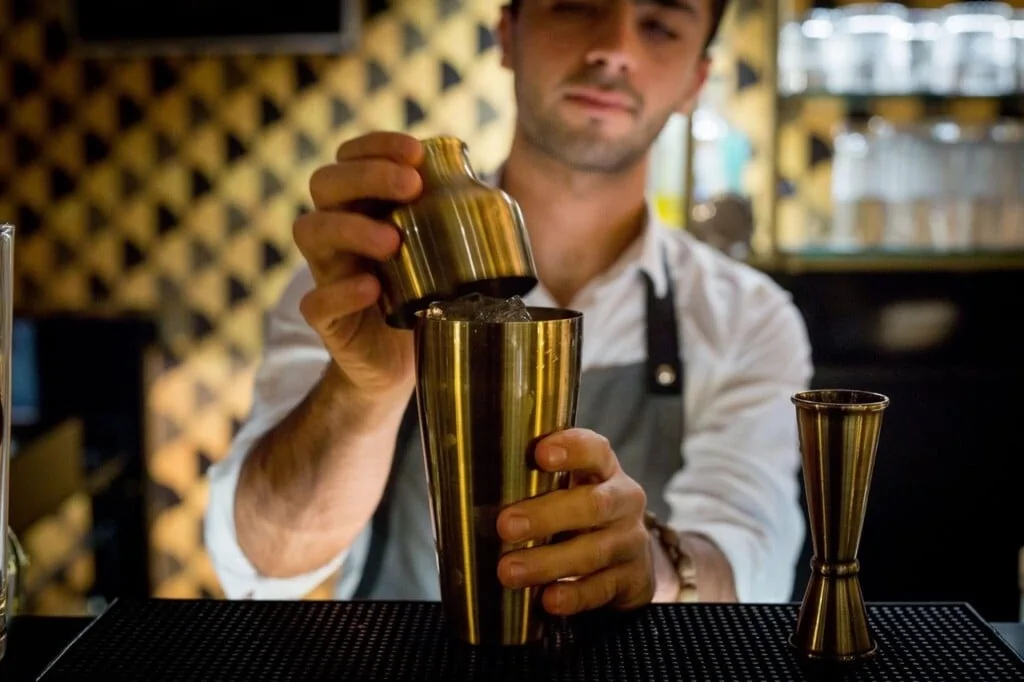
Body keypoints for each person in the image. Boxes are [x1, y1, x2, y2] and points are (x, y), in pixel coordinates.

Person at [205, 0, 813, 615]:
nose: (614, 48)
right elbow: (262, 563)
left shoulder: (749, 318)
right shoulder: (364, 280)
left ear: (695, 82)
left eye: (658, 25)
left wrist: (651, 565)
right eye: (578, 7)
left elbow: (750, 564)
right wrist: (364, 390)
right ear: (506, 33)